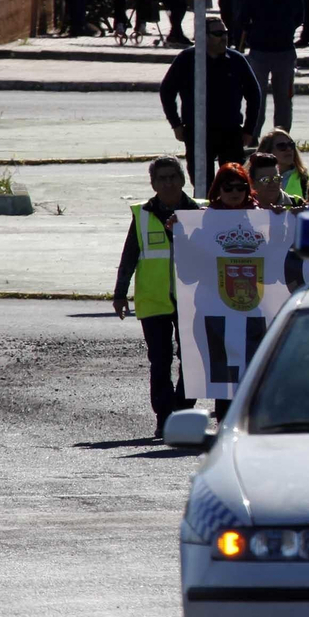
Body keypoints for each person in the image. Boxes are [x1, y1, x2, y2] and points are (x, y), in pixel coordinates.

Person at [113, 156, 200, 438]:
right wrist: (120, 293)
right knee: (160, 361)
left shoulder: (198, 212)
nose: (168, 182)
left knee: (192, 359)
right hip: (153, 301)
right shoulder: (143, 214)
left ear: (182, 179)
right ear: (153, 184)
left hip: (190, 299)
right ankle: (164, 417)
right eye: (161, 178)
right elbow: (129, 255)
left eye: (173, 176)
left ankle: (182, 409)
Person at [157, 16, 260, 195]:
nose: (224, 37)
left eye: (225, 33)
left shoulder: (235, 60)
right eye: (218, 33)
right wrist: (176, 124)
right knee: (202, 183)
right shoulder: (187, 59)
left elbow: (254, 94)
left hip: (230, 131)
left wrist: (249, 129)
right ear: (203, 36)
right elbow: (167, 91)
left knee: (233, 182)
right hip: (197, 132)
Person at [238, 0, 306, 137]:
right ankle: (252, 136)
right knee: (257, 97)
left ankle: (281, 136)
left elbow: (299, 19)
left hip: (285, 54)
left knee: (284, 98)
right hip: (260, 54)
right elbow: (243, 19)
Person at [257, 129, 309, 200]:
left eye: (291, 145)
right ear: (268, 151)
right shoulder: (252, 178)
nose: (288, 149)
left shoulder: (307, 179)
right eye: (282, 146)